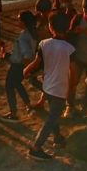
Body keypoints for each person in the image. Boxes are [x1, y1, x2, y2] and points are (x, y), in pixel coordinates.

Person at [24, 11, 75, 160]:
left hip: (48, 86)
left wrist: (26, 70)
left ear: (50, 27)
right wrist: (71, 88)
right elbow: (73, 72)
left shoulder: (43, 44)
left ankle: (58, 138)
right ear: (67, 28)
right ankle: (36, 147)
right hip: (60, 88)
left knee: (53, 114)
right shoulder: (69, 48)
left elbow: (37, 62)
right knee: (52, 118)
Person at [3, 11, 37, 121]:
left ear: (24, 22)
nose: (18, 22)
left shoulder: (23, 36)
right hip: (22, 65)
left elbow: (27, 55)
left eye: (19, 20)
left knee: (9, 87)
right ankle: (28, 105)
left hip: (18, 66)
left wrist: (27, 70)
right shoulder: (33, 33)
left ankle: (13, 113)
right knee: (17, 84)